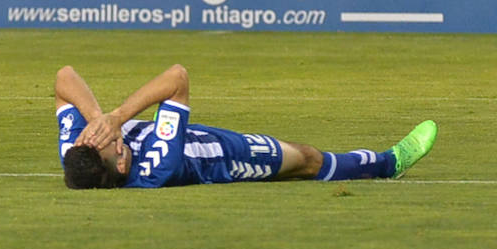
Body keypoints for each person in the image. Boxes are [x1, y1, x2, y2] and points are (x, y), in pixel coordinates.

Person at [55, 64, 436, 189]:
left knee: (305, 158)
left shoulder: (79, 156)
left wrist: (95, 120)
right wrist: (117, 118)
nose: (99, 133)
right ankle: (389, 163)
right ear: (122, 164)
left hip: (193, 136)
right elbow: (177, 77)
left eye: (92, 134)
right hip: (226, 157)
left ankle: (384, 163)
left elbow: (64, 78)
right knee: (307, 159)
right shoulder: (157, 164)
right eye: (105, 140)